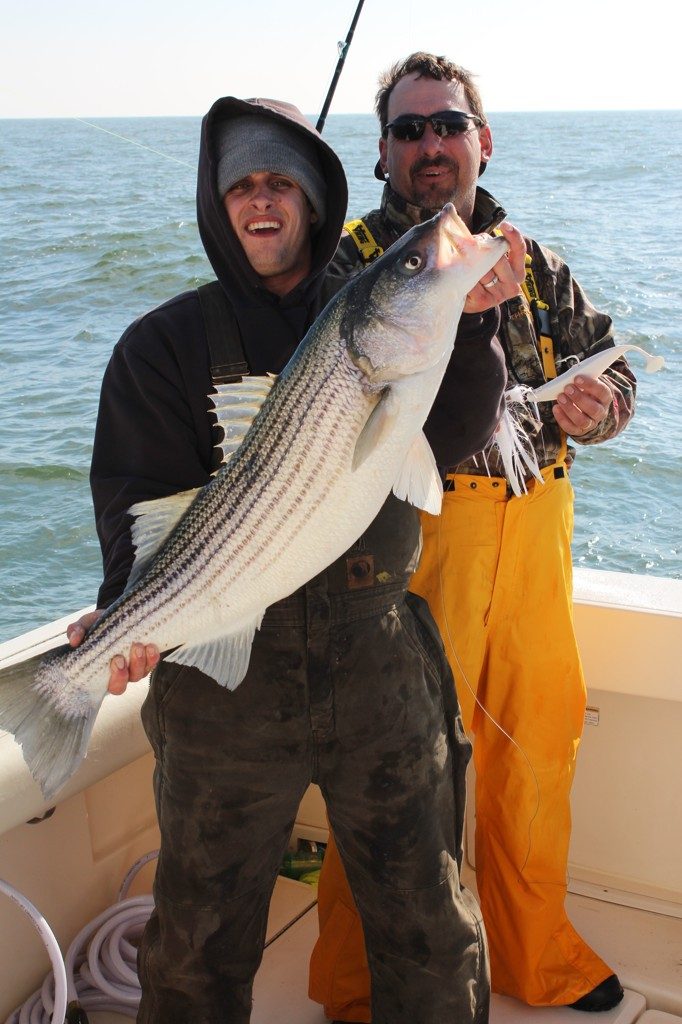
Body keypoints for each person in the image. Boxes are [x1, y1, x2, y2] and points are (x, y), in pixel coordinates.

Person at [67, 93, 522, 1023]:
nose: (260, 200)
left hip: (380, 662)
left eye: (281, 180)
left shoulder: (377, 311)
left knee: (431, 930)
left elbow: (453, 434)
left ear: (315, 197)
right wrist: (130, 610)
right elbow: (134, 502)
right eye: (241, 185)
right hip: (222, 690)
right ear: (217, 203)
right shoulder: (160, 345)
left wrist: (470, 321)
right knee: (196, 945)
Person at [308, 53, 636, 1021]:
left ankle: (536, 956)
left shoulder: (537, 262)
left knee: (537, 753)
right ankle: (360, 977)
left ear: (482, 139)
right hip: (407, 542)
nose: (430, 145)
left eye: (446, 124)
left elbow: (614, 373)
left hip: (536, 533)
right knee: (391, 766)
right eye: (408, 131)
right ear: (380, 154)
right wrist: (459, 321)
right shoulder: (350, 262)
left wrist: (596, 411)